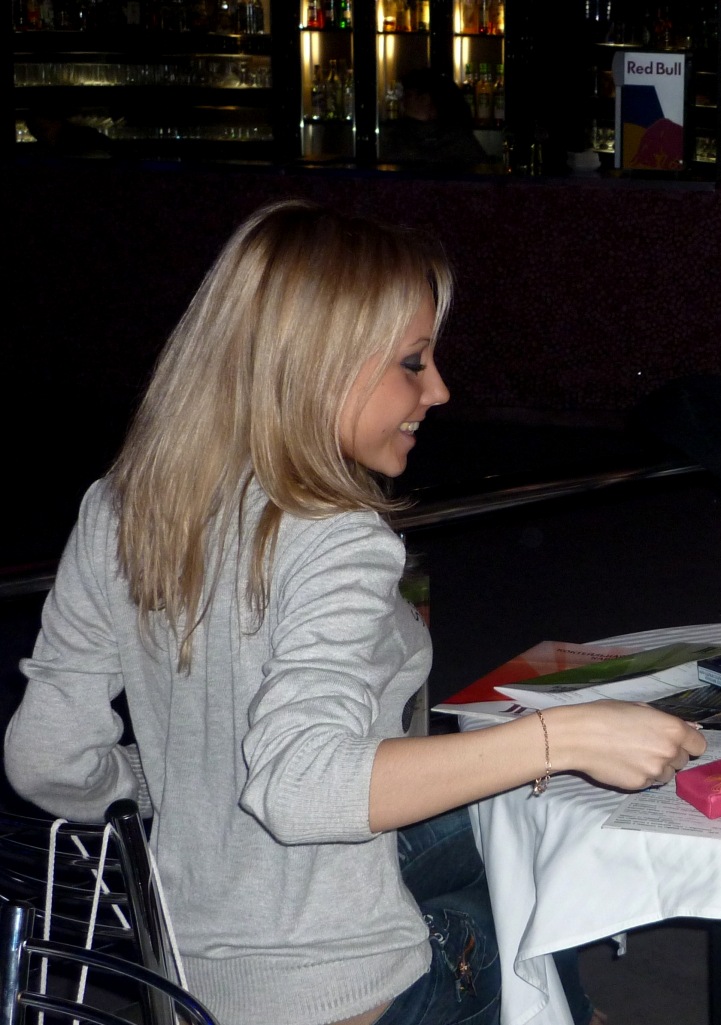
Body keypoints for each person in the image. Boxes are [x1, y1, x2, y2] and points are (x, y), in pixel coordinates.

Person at [4, 201, 705, 1025]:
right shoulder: (335, 534)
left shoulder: (120, 505)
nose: (438, 389)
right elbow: (302, 788)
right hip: (333, 992)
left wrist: (179, 778)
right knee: (521, 907)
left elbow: (46, 756)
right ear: (314, 367)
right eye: (411, 361)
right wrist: (565, 737)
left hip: (180, 968)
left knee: (497, 820)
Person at [381, 67, 487, 169]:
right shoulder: (461, 140)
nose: (402, 101)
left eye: (408, 96)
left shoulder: (459, 143)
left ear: (425, 99)